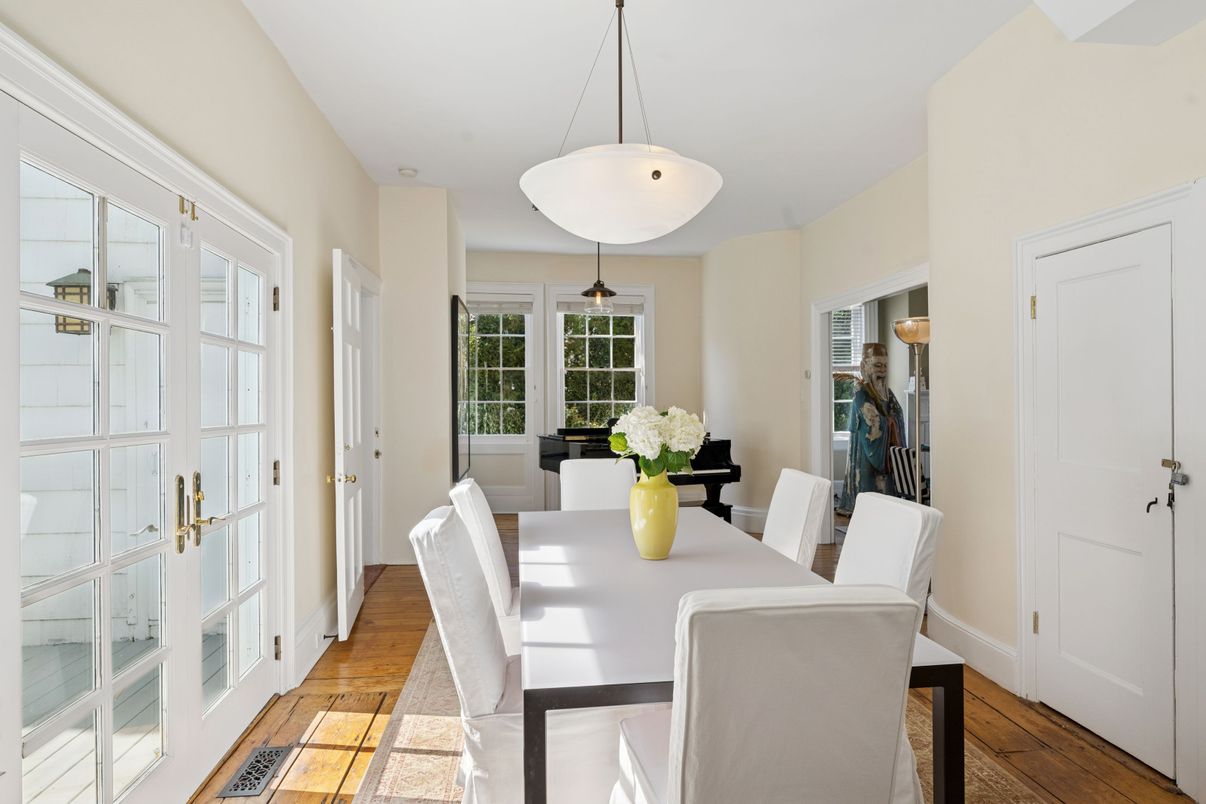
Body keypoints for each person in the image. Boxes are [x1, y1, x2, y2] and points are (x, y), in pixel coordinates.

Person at [837, 343, 906, 514]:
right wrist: (886, 421)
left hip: (886, 449)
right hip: (865, 448)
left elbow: (898, 413)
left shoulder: (887, 392)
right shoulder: (862, 393)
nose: (882, 370)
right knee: (867, 482)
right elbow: (871, 420)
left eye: (885, 365)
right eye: (877, 365)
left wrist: (892, 420)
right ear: (864, 366)